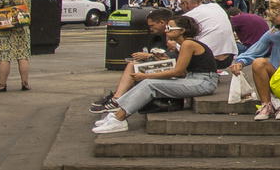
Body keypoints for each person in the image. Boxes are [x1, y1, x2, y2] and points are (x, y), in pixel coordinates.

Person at [91, 15, 219, 134]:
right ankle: (116, 114)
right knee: (149, 83)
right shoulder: (185, 44)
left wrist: (144, 76)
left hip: (203, 82)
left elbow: (177, 72)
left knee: (149, 84)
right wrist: (164, 59)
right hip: (196, 79)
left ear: (182, 30)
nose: (166, 31)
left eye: (169, 28)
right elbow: (184, 72)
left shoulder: (188, 44)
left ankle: (119, 119)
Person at [177, 0, 237, 70]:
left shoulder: (188, 16)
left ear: (185, 4)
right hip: (229, 56)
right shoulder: (216, 7)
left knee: (176, 45)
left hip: (207, 59)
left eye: (182, 5)